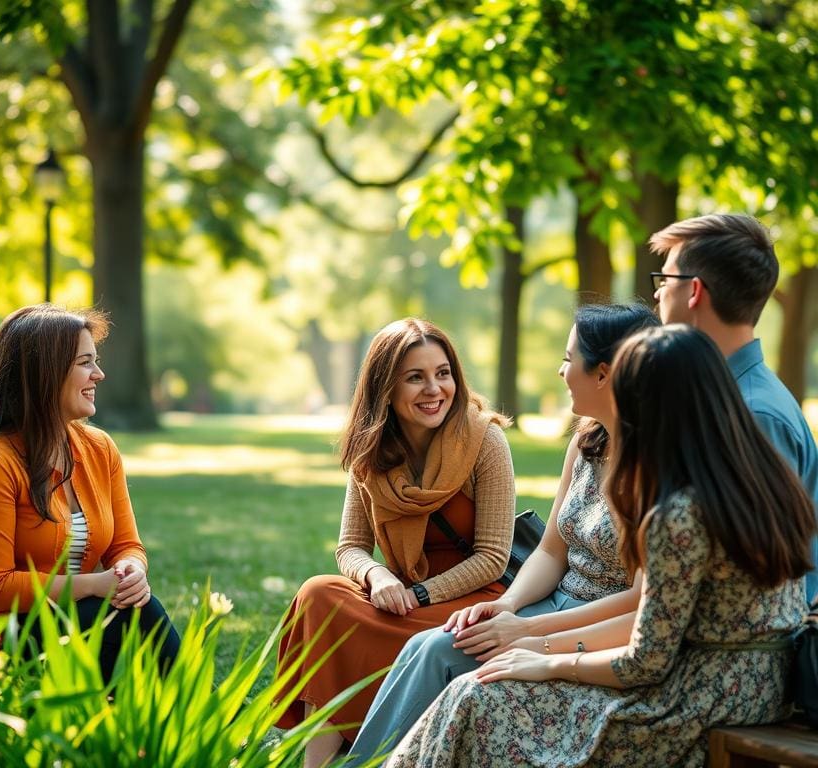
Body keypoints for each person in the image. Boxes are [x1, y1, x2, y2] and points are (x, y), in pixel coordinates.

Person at [386, 324, 816, 768]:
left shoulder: (679, 512)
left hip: (696, 700)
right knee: (471, 682)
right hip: (761, 686)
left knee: (478, 698)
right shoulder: (758, 475)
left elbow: (645, 661)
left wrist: (546, 659)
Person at [347, 303, 659, 765]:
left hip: (596, 623)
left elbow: (641, 600)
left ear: (604, 374)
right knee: (429, 646)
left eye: (570, 358)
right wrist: (507, 605)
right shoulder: (588, 440)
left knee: (447, 660)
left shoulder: (658, 463)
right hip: (551, 601)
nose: (560, 369)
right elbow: (552, 552)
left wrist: (528, 630)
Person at [274, 318, 516, 768]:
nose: (434, 389)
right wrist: (377, 574)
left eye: (442, 373)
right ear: (385, 386)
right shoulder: (371, 450)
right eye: (415, 377)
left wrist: (419, 593)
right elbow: (350, 546)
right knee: (318, 595)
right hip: (399, 597)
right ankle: (317, 762)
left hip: (467, 602)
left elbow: (493, 557)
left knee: (366, 631)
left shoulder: (485, 440)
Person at [0, 304, 180, 681]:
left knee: (132, 609)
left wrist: (131, 570)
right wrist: (96, 585)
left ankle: (158, 727)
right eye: (86, 362)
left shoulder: (99, 448)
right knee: (116, 618)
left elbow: (126, 544)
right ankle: (188, 725)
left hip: (55, 615)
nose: (99, 374)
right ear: (45, 374)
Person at [650, 212, 818, 601]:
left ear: (693, 291)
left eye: (665, 279)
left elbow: (750, 587)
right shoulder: (724, 399)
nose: (657, 293)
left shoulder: (756, 415)